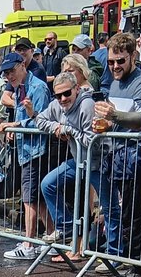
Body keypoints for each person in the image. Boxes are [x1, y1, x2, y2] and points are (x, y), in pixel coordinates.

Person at [92, 31, 141, 277]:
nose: (115, 66)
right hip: (118, 157)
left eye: (120, 61)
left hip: (138, 157)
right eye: (111, 62)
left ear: (133, 56)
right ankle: (132, 263)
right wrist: (104, 126)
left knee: (137, 214)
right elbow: (115, 120)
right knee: (126, 214)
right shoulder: (114, 82)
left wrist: (114, 116)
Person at [0, 51, 51, 260]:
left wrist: (16, 125)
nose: (9, 76)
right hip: (26, 149)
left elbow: (43, 119)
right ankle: (51, 237)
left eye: (11, 71)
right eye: (6, 74)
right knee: (37, 199)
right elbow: (23, 116)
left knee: (30, 199)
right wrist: (15, 129)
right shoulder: (21, 87)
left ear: (22, 66)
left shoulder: (37, 87)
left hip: (36, 149)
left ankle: (29, 243)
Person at [36, 71, 97, 254]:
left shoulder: (87, 105)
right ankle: (66, 225)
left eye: (67, 93)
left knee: (107, 208)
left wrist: (69, 130)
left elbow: (91, 140)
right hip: (77, 162)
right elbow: (40, 119)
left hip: (98, 163)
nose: (62, 99)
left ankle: (114, 254)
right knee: (48, 184)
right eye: (58, 95)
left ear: (76, 89)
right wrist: (56, 127)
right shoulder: (57, 105)